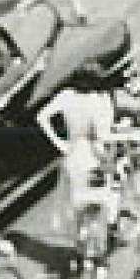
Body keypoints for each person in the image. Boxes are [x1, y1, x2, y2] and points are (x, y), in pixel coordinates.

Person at [39, 63, 123, 244]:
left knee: (78, 200)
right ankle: (111, 226)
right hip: (94, 155)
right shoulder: (100, 100)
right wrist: (126, 134)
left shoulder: (66, 96)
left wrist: (58, 142)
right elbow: (103, 134)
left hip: (73, 153)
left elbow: (42, 116)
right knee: (113, 186)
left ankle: (81, 242)